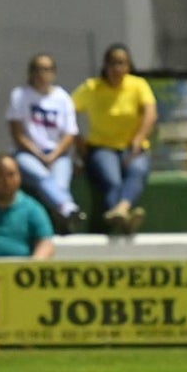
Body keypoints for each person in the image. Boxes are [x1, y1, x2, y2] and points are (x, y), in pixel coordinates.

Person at [72, 44, 158, 234]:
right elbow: (67, 113)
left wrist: (139, 139)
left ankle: (120, 210)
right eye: (112, 64)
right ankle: (124, 217)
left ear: (128, 66)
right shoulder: (92, 87)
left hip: (132, 146)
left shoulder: (138, 85)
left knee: (137, 170)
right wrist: (78, 142)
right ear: (105, 65)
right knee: (111, 178)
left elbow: (150, 113)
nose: (116, 69)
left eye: (121, 64)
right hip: (102, 147)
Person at [5, 53, 83, 234]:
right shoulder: (20, 95)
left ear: (54, 73)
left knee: (59, 185)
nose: (42, 73)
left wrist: (53, 156)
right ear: (31, 72)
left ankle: (63, 218)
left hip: (58, 153)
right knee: (42, 177)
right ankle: (69, 209)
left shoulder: (63, 98)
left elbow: (70, 133)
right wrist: (39, 154)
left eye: (47, 69)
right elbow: (17, 133)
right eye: (38, 69)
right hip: (26, 153)